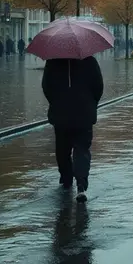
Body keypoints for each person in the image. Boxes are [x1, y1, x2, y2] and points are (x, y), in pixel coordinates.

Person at [43, 55, 104, 203]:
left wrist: (56, 102)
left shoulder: (53, 62)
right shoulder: (89, 61)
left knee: (62, 150)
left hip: (61, 114)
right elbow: (99, 86)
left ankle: (66, 179)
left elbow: (46, 86)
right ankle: (81, 185)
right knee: (82, 150)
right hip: (84, 114)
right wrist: (91, 103)